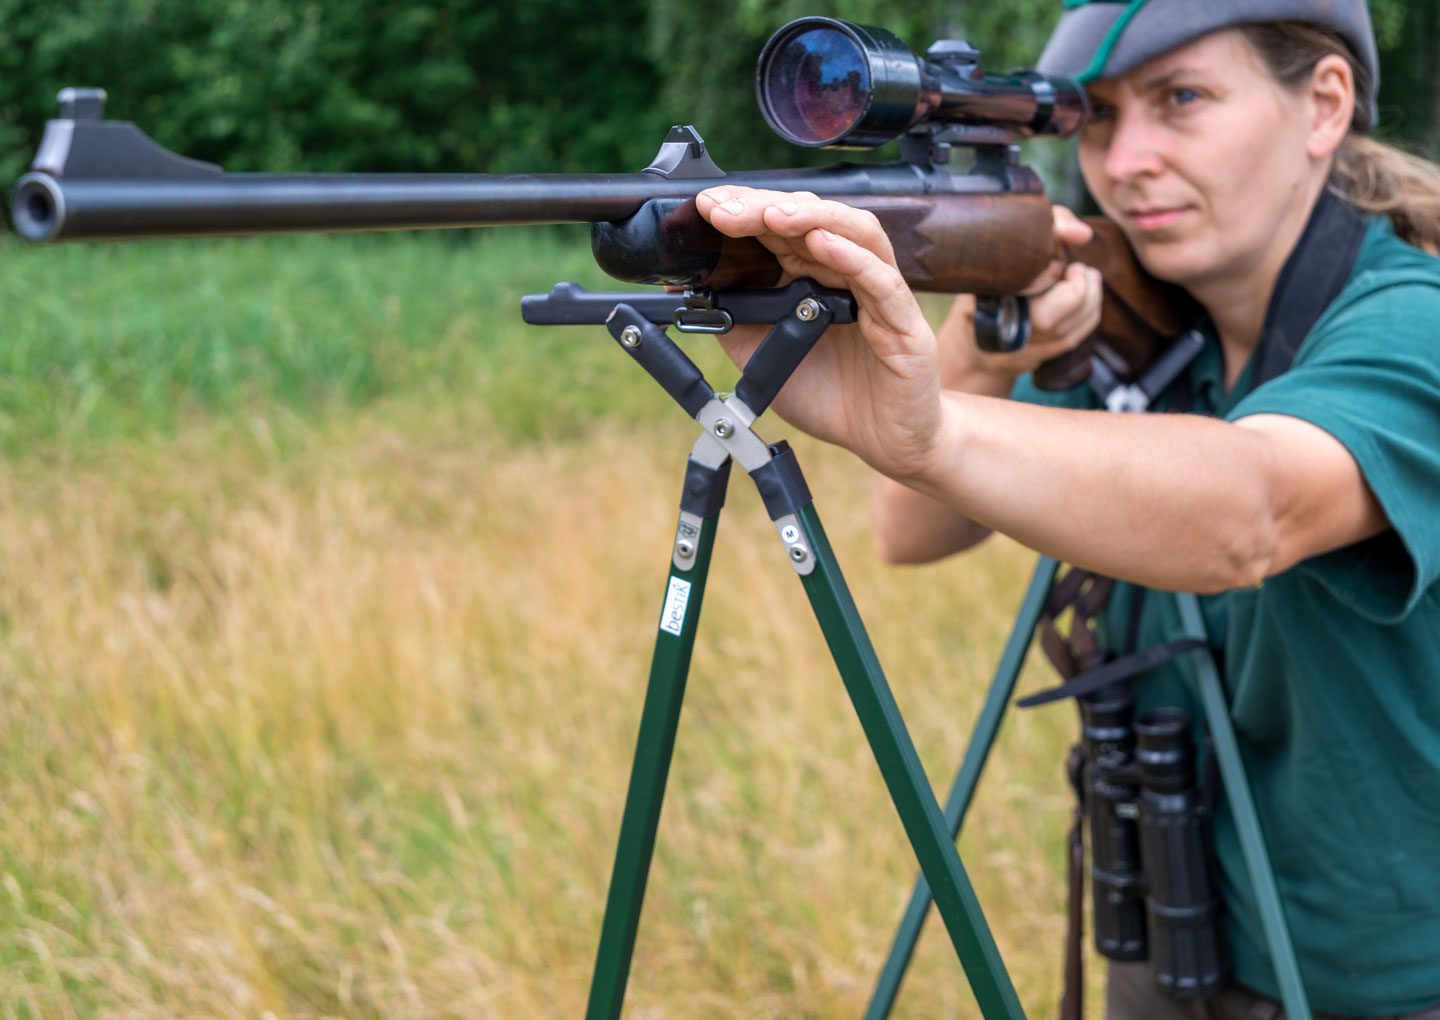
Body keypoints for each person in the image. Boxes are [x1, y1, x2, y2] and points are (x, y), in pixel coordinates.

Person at [692, 1, 1440, 1017]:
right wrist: (982, 356)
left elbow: (1253, 511)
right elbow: (911, 532)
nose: (1125, 160)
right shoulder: (1141, 317)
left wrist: (934, 430)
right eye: (1096, 120)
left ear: (1323, 106)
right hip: (1175, 934)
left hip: (1385, 985)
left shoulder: (1414, 322)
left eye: (1181, 101)